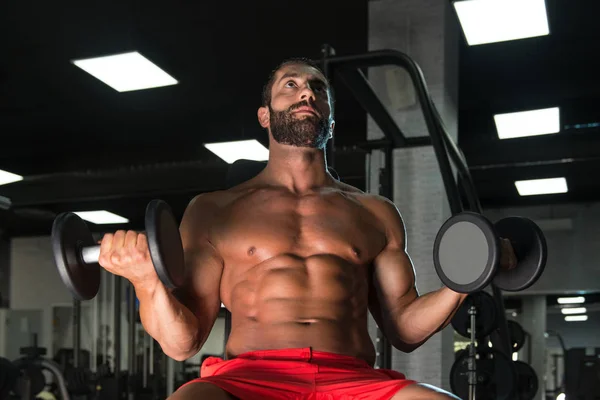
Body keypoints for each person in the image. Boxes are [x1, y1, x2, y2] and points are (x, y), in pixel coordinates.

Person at [98, 58, 515, 400]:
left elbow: (403, 329)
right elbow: (182, 343)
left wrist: (463, 282)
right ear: (265, 115)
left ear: (329, 114)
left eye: (318, 89)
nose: (307, 93)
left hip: (352, 380)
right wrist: (145, 282)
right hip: (248, 379)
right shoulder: (213, 210)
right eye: (291, 85)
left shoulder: (375, 212)